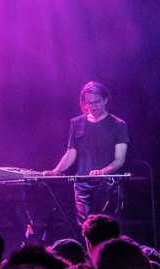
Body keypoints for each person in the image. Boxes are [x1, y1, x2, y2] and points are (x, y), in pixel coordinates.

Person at [44, 82, 129, 224]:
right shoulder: (77, 123)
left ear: (105, 100)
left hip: (108, 185)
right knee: (86, 227)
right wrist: (56, 171)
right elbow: (71, 153)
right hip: (82, 186)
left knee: (105, 227)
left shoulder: (118, 124)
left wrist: (102, 171)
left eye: (97, 102)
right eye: (89, 103)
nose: (94, 107)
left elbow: (119, 160)